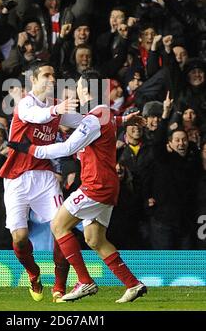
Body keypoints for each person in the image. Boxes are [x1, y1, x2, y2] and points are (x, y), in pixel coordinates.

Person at [8, 70, 147, 303]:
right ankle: (133, 284)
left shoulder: (94, 118)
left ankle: (84, 281)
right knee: (94, 239)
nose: (76, 92)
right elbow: (107, 121)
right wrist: (124, 120)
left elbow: (66, 149)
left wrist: (30, 149)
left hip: (95, 185)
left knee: (58, 225)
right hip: (109, 186)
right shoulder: (104, 114)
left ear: (88, 90)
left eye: (80, 87)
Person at [0, 60, 82, 302]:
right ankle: (33, 274)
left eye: (54, 75)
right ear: (33, 80)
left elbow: (86, 122)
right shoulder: (25, 104)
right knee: (20, 237)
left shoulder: (57, 107)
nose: (52, 79)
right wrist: (56, 111)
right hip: (16, 178)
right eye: (46, 75)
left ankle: (59, 286)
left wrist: (116, 121)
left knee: (62, 229)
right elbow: (35, 115)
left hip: (45, 176)